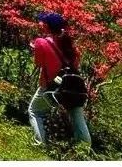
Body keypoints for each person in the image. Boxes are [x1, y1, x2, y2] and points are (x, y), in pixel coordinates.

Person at [28, 12, 91, 146]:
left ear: (46, 26)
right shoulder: (70, 45)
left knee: (35, 111)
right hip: (72, 87)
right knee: (77, 116)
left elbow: (39, 63)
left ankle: (40, 143)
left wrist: (36, 49)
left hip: (50, 87)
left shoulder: (41, 42)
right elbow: (75, 64)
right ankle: (85, 149)